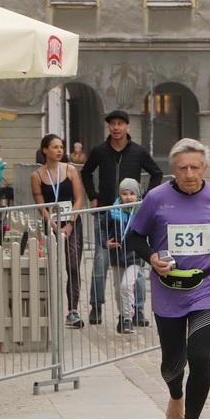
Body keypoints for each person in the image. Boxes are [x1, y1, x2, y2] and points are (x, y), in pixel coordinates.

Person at [128, 138, 210, 419]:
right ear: (173, 169)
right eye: (182, 168)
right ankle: (175, 395)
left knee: (199, 355)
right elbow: (135, 237)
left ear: (204, 168)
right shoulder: (156, 198)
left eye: (195, 167)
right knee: (172, 363)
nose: (189, 174)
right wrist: (151, 257)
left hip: (206, 288)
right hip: (168, 290)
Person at [81, 110, 163, 325]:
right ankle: (96, 306)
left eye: (120, 124)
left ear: (127, 126)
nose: (116, 127)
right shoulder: (100, 151)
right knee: (101, 261)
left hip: (131, 215)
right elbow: (86, 172)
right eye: (112, 124)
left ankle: (138, 310)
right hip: (105, 213)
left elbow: (157, 173)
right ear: (108, 127)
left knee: (136, 262)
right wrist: (93, 196)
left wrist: (146, 199)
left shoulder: (138, 151)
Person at [33, 133, 87, 328]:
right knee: (50, 266)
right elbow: (41, 205)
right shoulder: (37, 175)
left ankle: (72, 310)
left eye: (61, 147)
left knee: (73, 265)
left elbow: (79, 199)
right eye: (55, 147)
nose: (59, 150)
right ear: (45, 150)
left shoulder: (70, 169)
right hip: (51, 224)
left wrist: (70, 223)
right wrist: (53, 225)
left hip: (72, 222)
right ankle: (49, 309)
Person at [106, 178, 149, 334]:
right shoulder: (112, 211)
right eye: (125, 194)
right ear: (120, 195)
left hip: (135, 257)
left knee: (126, 286)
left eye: (132, 194)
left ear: (137, 195)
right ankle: (123, 315)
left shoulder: (142, 211)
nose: (128, 197)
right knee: (119, 291)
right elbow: (104, 229)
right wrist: (105, 242)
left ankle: (127, 319)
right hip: (117, 256)